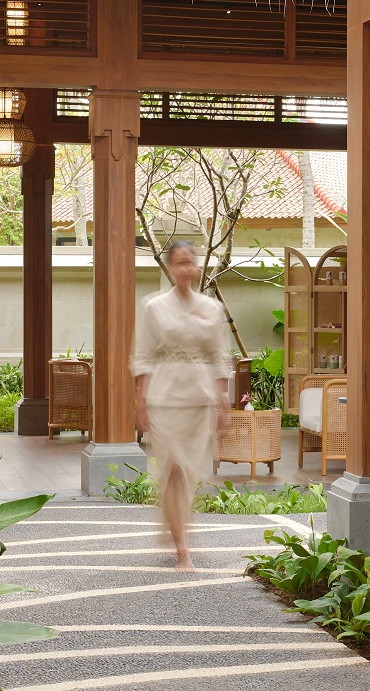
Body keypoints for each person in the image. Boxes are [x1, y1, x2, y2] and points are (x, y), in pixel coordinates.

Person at [131, 241, 230, 569]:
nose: (186, 269)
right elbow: (143, 357)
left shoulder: (212, 308)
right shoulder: (153, 307)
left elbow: (219, 356)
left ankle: (176, 528)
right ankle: (181, 547)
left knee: (187, 473)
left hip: (198, 401)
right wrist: (141, 404)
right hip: (163, 399)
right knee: (172, 469)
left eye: (190, 262)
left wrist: (223, 401)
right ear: (170, 268)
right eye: (179, 263)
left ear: (197, 267)